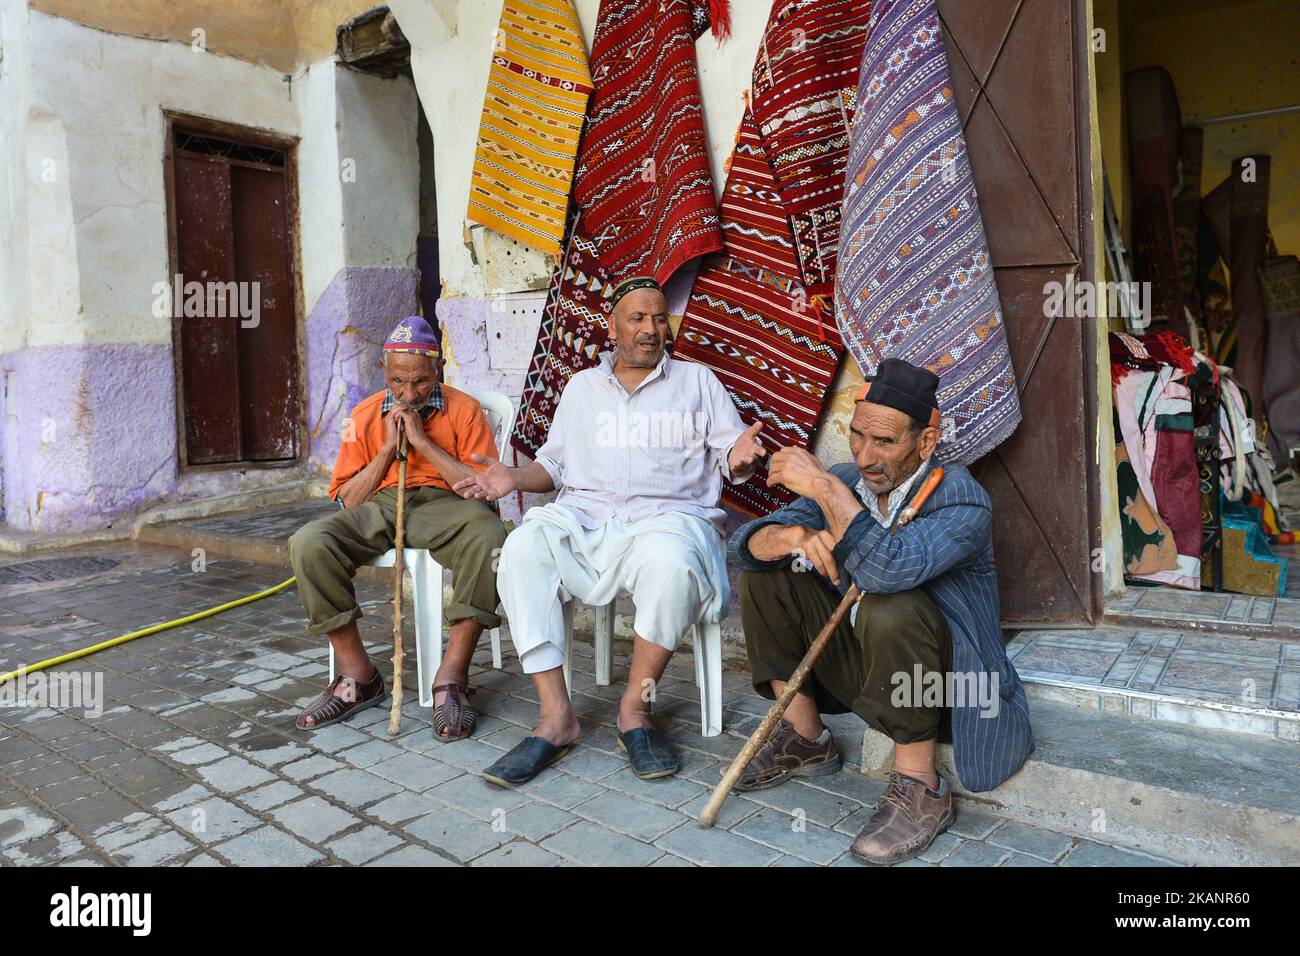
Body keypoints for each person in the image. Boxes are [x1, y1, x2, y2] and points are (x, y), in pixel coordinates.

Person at [453, 276, 767, 786]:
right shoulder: (582, 388)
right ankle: (557, 718)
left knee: (671, 565)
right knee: (522, 549)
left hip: (668, 519)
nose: (650, 329)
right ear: (613, 326)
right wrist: (512, 476)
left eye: (659, 318)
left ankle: (634, 713)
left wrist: (741, 456)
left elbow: (733, 453)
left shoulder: (698, 383)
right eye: (637, 318)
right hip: (586, 518)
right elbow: (553, 468)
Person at [727, 357, 1034, 864]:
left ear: (926, 444)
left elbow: (889, 571)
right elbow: (744, 546)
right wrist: (791, 536)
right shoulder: (851, 477)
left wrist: (824, 487)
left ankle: (920, 785)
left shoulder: (961, 498)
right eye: (857, 436)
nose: (865, 456)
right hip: (873, 677)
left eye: (885, 443)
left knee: (890, 603)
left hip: (950, 691)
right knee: (772, 567)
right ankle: (805, 737)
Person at [288, 316, 506, 741]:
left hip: (448, 503)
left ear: (438, 369)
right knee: (310, 542)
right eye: (398, 381)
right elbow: (348, 498)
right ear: (383, 370)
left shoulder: (464, 410)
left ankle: (451, 679)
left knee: (489, 536)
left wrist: (424, 444)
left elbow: (482, 491)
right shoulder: (365, 414)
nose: (409, 394)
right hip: (381, 504)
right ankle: (359, 678)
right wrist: (388, 449)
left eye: (421, 382)